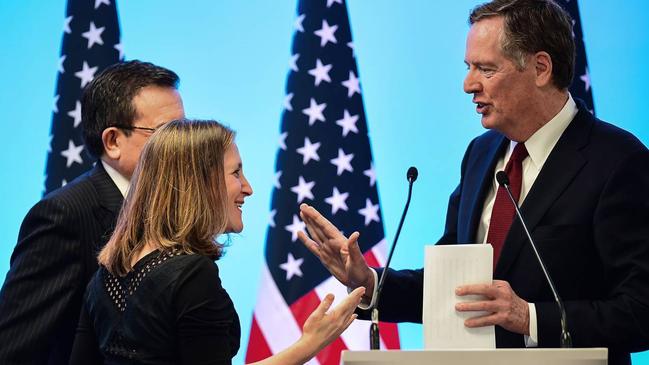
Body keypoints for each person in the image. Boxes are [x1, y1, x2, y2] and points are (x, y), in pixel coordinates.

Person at [297, 1, 649, 364]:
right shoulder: (481, 155)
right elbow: (452, 287)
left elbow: (641, 310)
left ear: (541, 68)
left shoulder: (617, 162)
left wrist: (529, 318)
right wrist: (370, 283)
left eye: (486, 69)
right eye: (469, 68)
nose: (468, 85)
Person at [69, 119, 364, 364]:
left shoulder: (104, 275)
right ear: (200, 182)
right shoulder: (191, 274)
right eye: (236, 172)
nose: (248, 188)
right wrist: (311, 343)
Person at [0, 60, 185, 365]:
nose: (184, 144)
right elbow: (14, 346)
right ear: (113, 141)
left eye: (184, 129)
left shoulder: (173, 209)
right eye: (167, 132)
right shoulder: (64, 216)